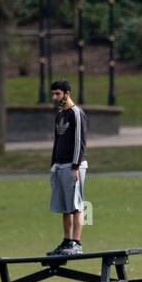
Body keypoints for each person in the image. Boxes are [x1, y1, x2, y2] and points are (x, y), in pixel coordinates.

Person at [47, 79, 89, 255]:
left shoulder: (76, 113)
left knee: (76, 206)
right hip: (60, 166)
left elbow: (80, 141)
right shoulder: (59, 115)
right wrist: (54, 165)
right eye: (53, 94)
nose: (55, 97)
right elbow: (57, 141)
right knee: (65, 207)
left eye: (58, 93)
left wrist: (75, 166)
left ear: (67, 93)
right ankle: (67, 241)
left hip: (74, 167)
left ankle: (77, 243)